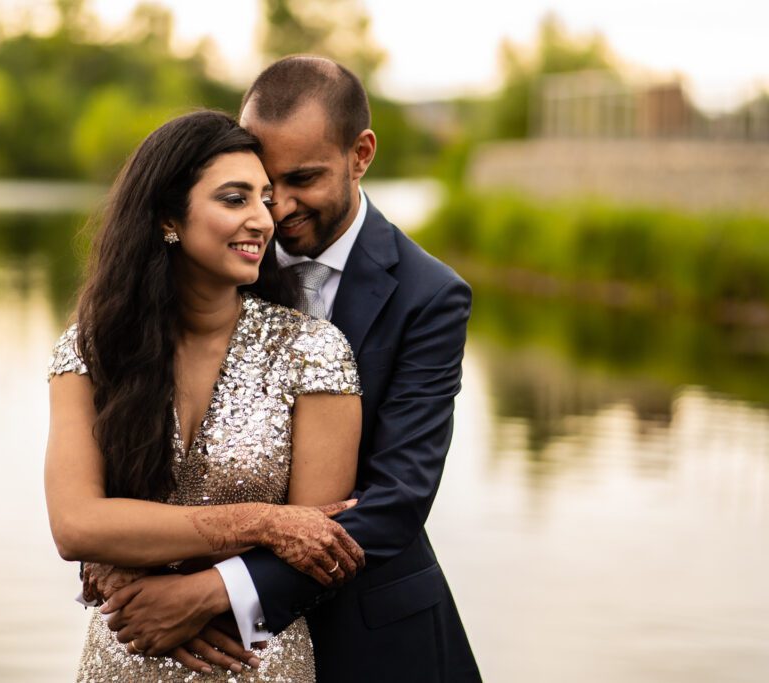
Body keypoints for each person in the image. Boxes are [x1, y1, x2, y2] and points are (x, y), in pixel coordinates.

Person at [93, 56, 482, 681]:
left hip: (370, 635)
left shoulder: (429, 296)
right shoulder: (218, 257)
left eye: (304, 179)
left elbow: (396, 502)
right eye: (268, 184)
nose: (280, 209)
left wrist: (213, 595)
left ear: (361, 154)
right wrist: (114, 563)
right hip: (203, 651)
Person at [44, 109, 367, 681]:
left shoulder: (313, 351)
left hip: (254, 657)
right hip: (128, 650)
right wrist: (264, 522)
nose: (263, 221)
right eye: (234, 199)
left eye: (264, 199)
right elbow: (75, 525)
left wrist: (180, 594)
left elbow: (317, 545)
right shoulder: (93, 349)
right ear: (169, 215)